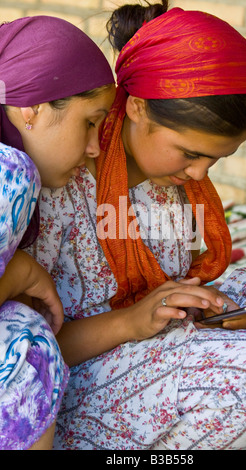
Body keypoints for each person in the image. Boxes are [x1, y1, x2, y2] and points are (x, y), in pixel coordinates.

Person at [26, 2, 246, 450]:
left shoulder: (177, 189)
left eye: (216, 159)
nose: (200, 175)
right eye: (190, 154)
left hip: (163, 347)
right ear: (137, 108)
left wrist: (211, 315)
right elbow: (24, 353)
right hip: (79, 383)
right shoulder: (60, 185)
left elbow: (173, 293)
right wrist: (131, 322)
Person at [0, 15, 115, 450]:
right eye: (90, 122)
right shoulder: (10, 171)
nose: (95, 148)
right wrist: (21, 276)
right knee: (27, 339)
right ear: (32, 108)